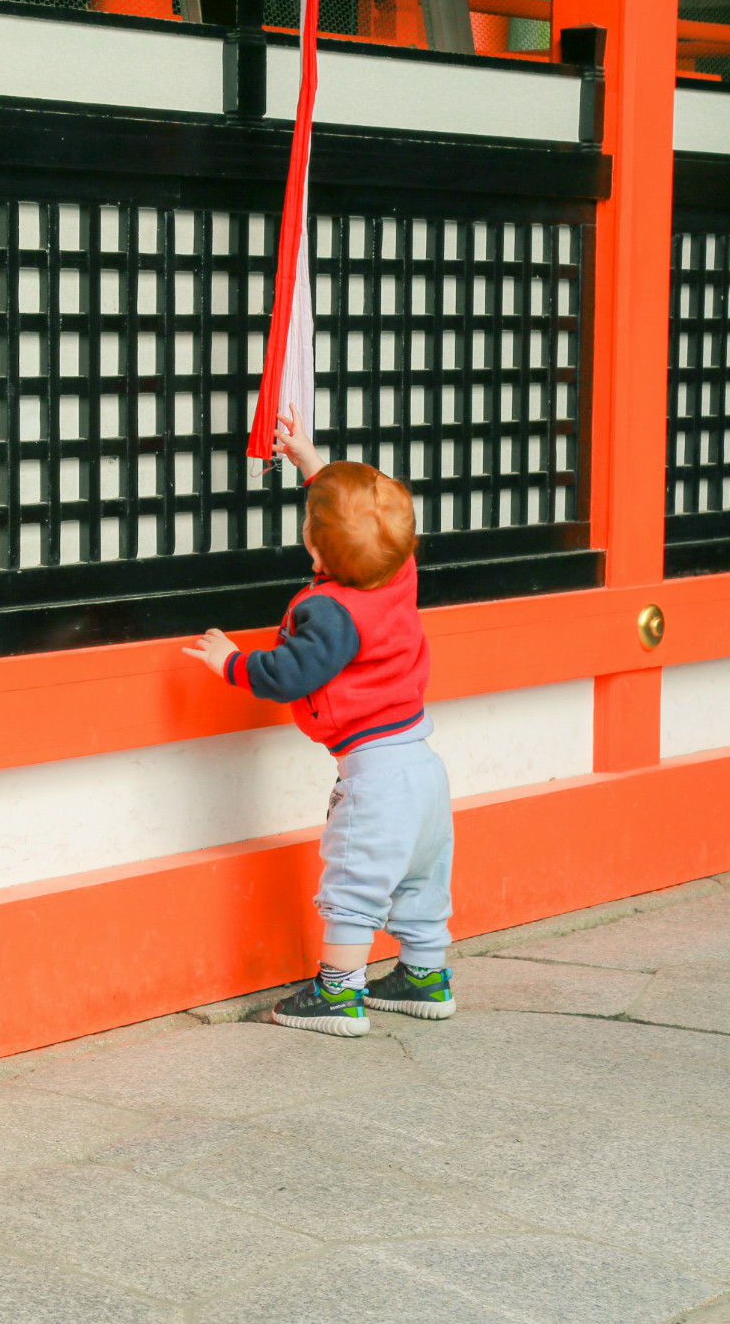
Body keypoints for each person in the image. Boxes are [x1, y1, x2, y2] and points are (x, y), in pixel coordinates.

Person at [182, 411, 455, 1037]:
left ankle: (340, 995)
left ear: (315, 550)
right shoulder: (398, 571)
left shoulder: (331, 611)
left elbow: (286, 673)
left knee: (354, 881)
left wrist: (231, 661)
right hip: (423, 767)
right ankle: (424, 978)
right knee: (419, 876)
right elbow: (361, 524)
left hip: (374, 775)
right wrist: (313, 464)